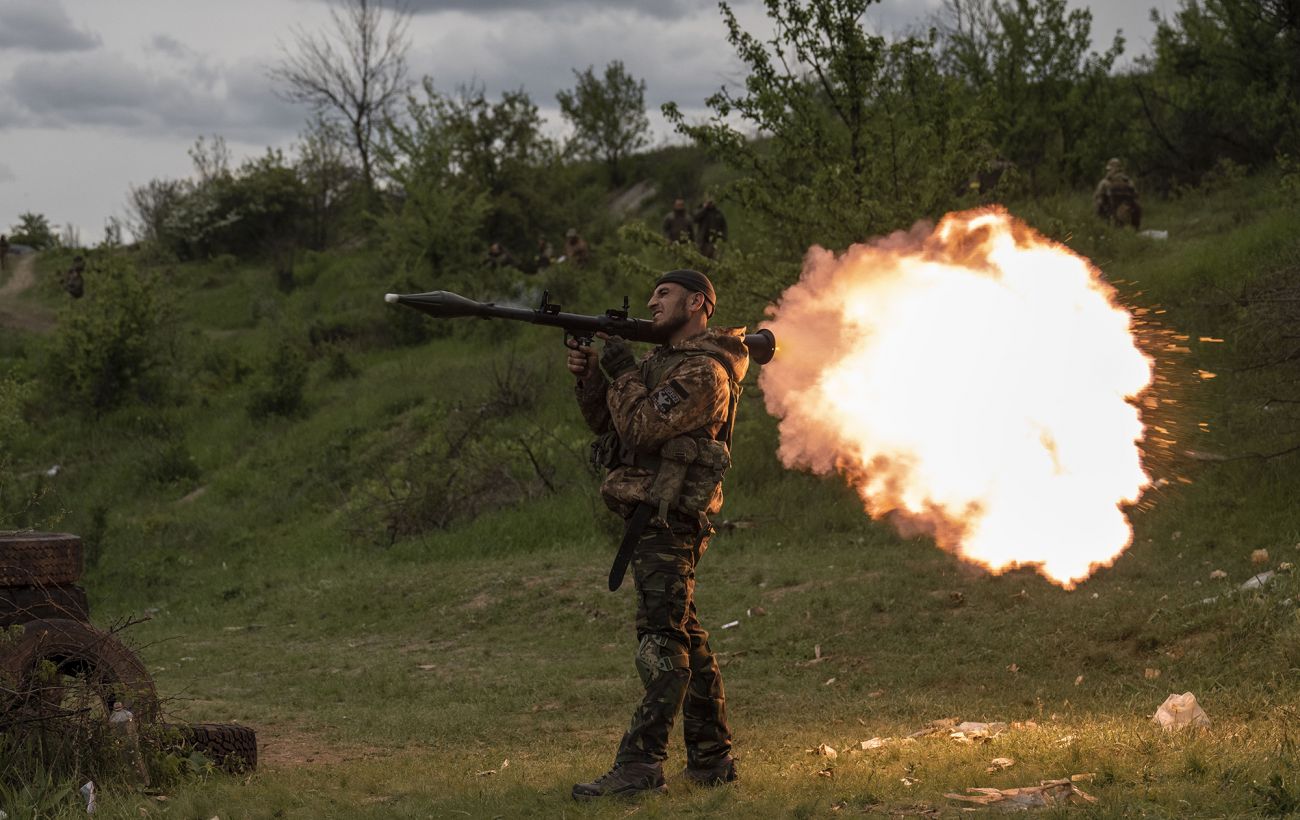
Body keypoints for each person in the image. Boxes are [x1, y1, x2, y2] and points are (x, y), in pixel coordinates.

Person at [567, 269, 744, 800]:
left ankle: (641, 764)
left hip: (669, 518)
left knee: (660, 640)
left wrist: (622, 371)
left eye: (663, 294)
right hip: (652, 514)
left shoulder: (706, 373)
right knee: (684, 632)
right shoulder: (660, 365)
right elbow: (610, 423)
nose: (651, 301)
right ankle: (712, 758)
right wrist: (591, 375)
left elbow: (643, 426)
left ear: (697, 303)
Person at [1093, 158, 1142, 229]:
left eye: (1109, 170)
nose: (1108, 172)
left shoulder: (1105, 183)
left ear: (1112, 169)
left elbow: (1098, 202)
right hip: (1128, 215)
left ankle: (1103, 225)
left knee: (1099, 202)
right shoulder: (1129, 182)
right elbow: (1136, 198)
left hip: (1112, 216)